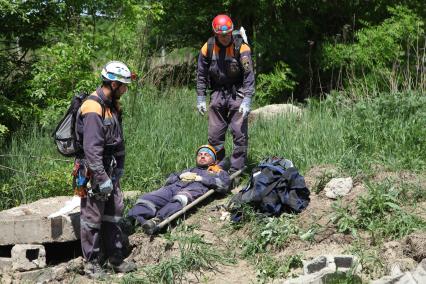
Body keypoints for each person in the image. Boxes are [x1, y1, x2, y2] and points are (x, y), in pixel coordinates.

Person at [75, 61, 137, 278]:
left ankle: (115, 259)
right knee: (93, 217)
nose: (126, 90)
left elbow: (119, 141)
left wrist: (119, 167)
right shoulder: (93, 108)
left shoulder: (113, 105)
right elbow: (91, 149)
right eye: (124, 86)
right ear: (113, 84)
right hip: (94, 171)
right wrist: (101, 178)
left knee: (114, 213)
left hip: (109, 168)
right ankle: (91, 264)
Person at [196, 14, 255, 174]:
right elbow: (201, 74)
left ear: (231, 32)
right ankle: (219, 166)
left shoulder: (242, 48)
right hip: (218, 92)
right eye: (221, 35)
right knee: (214, 134)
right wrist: (201, 96)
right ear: (216, 33)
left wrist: (247, 98)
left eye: (227, 34)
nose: (224, 37)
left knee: (238, 133)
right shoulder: (207, 48)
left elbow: (249, 75)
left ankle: (237, 169)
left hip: (238, 92)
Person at [127, 145, 231, 234]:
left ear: (214, 160)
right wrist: (180, 176)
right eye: (200, 154)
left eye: (207, 154)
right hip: (172, 188)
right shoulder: (189, 169)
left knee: (180, 198)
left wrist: (201, 179)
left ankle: (157, 220)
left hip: (193, 189)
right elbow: (168, 179)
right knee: (147, 198)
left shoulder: (218, 172)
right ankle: (133, 220)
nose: (202, 156)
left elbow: (224, 185)